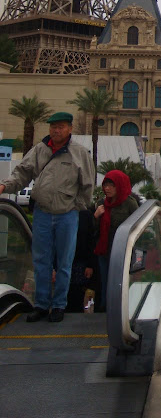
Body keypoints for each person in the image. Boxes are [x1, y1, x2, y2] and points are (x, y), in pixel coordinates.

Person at [0, 111, 94, 323]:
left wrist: (75, 207)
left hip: (67, 215)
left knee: (64, 263)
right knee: (41, 262)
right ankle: (41, 305)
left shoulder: (79, 153)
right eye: (53, 127)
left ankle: (59, 305)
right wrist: (4, 186)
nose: (56, 130)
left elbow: (87, 185)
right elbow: (22, 173)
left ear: (69, 129)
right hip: (42, 213)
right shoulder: (40, 150)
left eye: (60, 127)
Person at [94, 170, 138, 312]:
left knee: (120, 282)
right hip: (104, 251)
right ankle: (105, 309)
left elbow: (137, 228)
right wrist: (96, 216)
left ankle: (121, 310)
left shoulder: (129, 204)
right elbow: (93, 231)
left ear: (119, 186)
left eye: (111, 185)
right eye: (105, 185)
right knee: (105, 281)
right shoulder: (101, 204)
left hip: (122, 252)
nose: (107, 189)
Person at [65, 207, 97, 313]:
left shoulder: (85, 214)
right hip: (64, 260)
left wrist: (90, 265)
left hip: (80, 261)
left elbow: (91, 240)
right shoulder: (62, 213)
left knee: (77, 293)